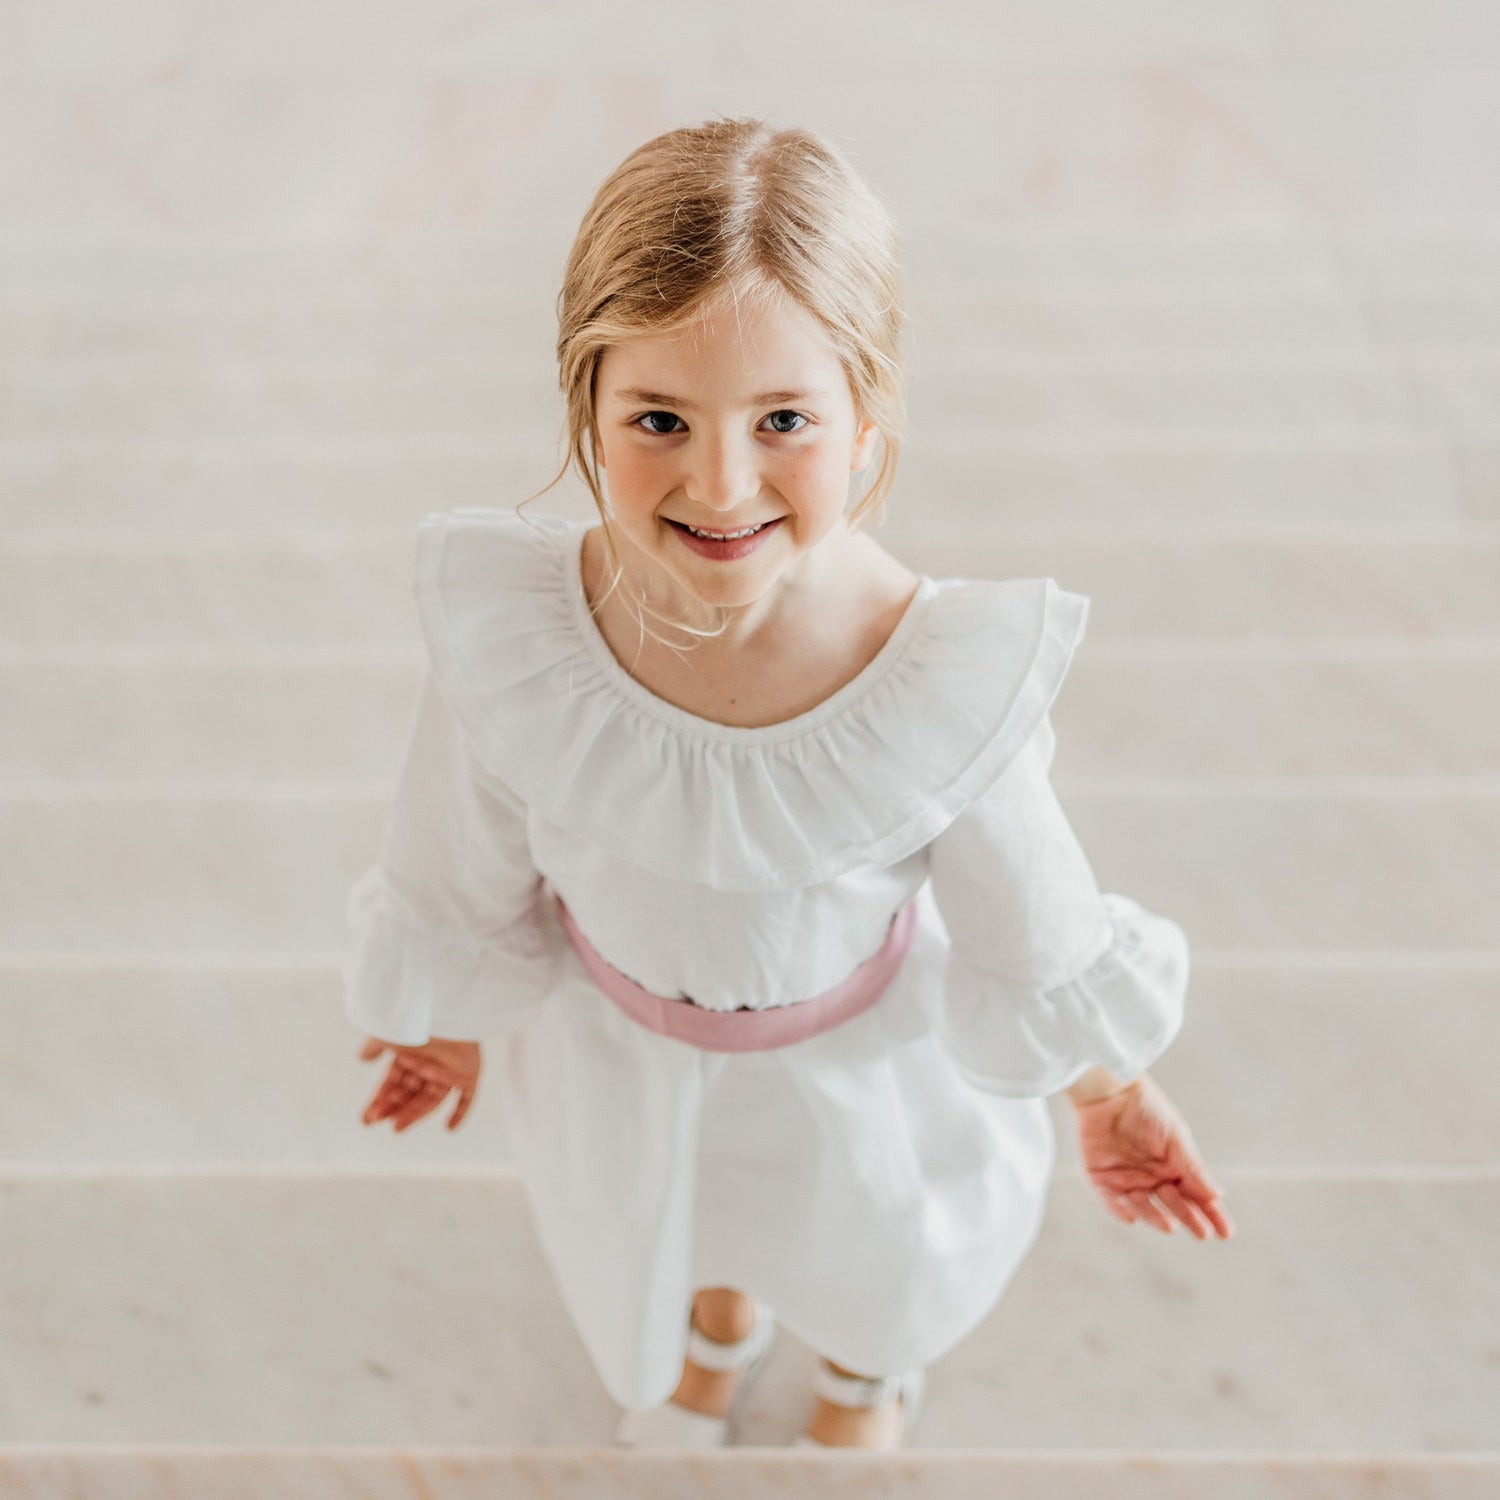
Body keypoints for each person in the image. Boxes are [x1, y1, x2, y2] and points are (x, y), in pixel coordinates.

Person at [344, 115, 1234, 1452]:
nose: (720, 482)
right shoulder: (517, 641)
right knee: (687, 1213)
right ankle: (715, 1325)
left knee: (868, 1242)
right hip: (626, 1050)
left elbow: (1031, 913)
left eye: (783, 420)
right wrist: (447, 1012)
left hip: (858, 1057)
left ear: (865, 419)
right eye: (659, 417)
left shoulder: (930, 674)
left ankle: (865, 1372)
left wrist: (1106, 1092)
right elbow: (461, 847)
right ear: (585, 403)